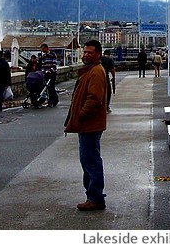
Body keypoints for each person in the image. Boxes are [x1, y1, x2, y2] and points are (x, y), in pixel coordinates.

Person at [64, 39, 108, 211]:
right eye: (85, 52)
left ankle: (95, 198)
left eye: (90, 52)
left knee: (91, 161)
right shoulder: (91, 70)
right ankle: (93, 196)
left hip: (90, 124)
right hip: (88, 124)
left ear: (98, 54)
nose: (86, 55)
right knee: (88, 160)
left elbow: (94, 98)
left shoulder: (96, 72)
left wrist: (81, 115)